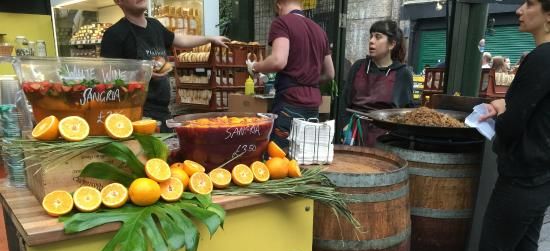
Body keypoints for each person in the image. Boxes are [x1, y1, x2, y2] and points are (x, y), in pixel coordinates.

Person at [465, 0, 550, 251]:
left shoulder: (542, 58)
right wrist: (503, 106)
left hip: (523, 175)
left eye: (529, 3)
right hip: (542, 175)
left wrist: (497, 136)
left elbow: (517, 122)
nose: (519, 9)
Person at [101, 0, 228, 131]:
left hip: (163, 113)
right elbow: (106, 76)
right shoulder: (114, 34)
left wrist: (209, 39)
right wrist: (141, 74)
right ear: (119, 1)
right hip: (136, 116)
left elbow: (180, 39)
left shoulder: (155, 26)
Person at [246, 0, 335, 151]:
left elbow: (278, 61)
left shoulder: (282, 23)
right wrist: (308, 79)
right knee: (305, 157)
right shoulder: (319, 30)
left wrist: (254, 67)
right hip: (313, 107)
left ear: (278, 4)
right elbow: (330, 73)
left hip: (290, 103)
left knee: (279, 157)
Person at [340, 20, 413, 146]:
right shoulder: (358, 66)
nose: (371, 41)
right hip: (354, 133)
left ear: (392, 44)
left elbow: (405, 114)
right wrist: (345, 126)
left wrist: (393, 136)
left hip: (385, 139)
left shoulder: (402, 73)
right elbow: (344, 103)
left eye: (378, 37)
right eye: (371, 36)